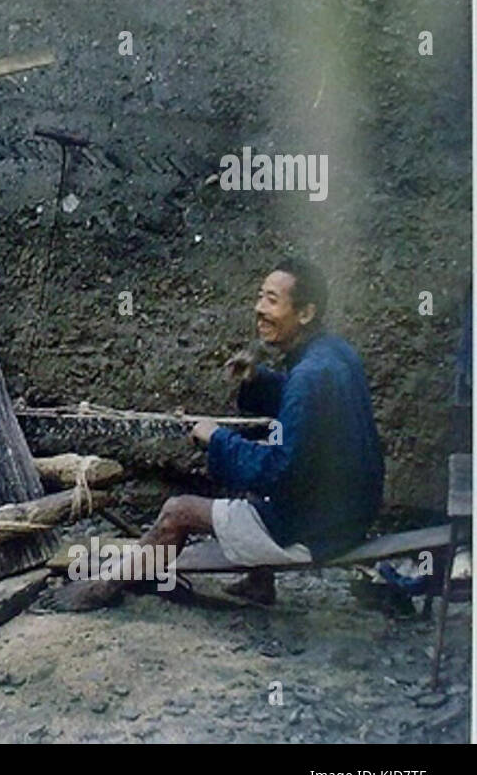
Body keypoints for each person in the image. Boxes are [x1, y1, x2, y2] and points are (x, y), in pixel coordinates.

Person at [37, 257, 383, 611]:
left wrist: (216, 438)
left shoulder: (309, 375)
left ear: (306, 313)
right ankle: (258, 584)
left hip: (317, 530)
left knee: (178, 511)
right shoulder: (335, 353)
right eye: (260, 297)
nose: (259, 309)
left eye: (272, 300)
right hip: (351, 513)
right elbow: (308, 408)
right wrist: (258, 380)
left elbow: (279, 469)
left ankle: (99, 589)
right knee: (247, 465)